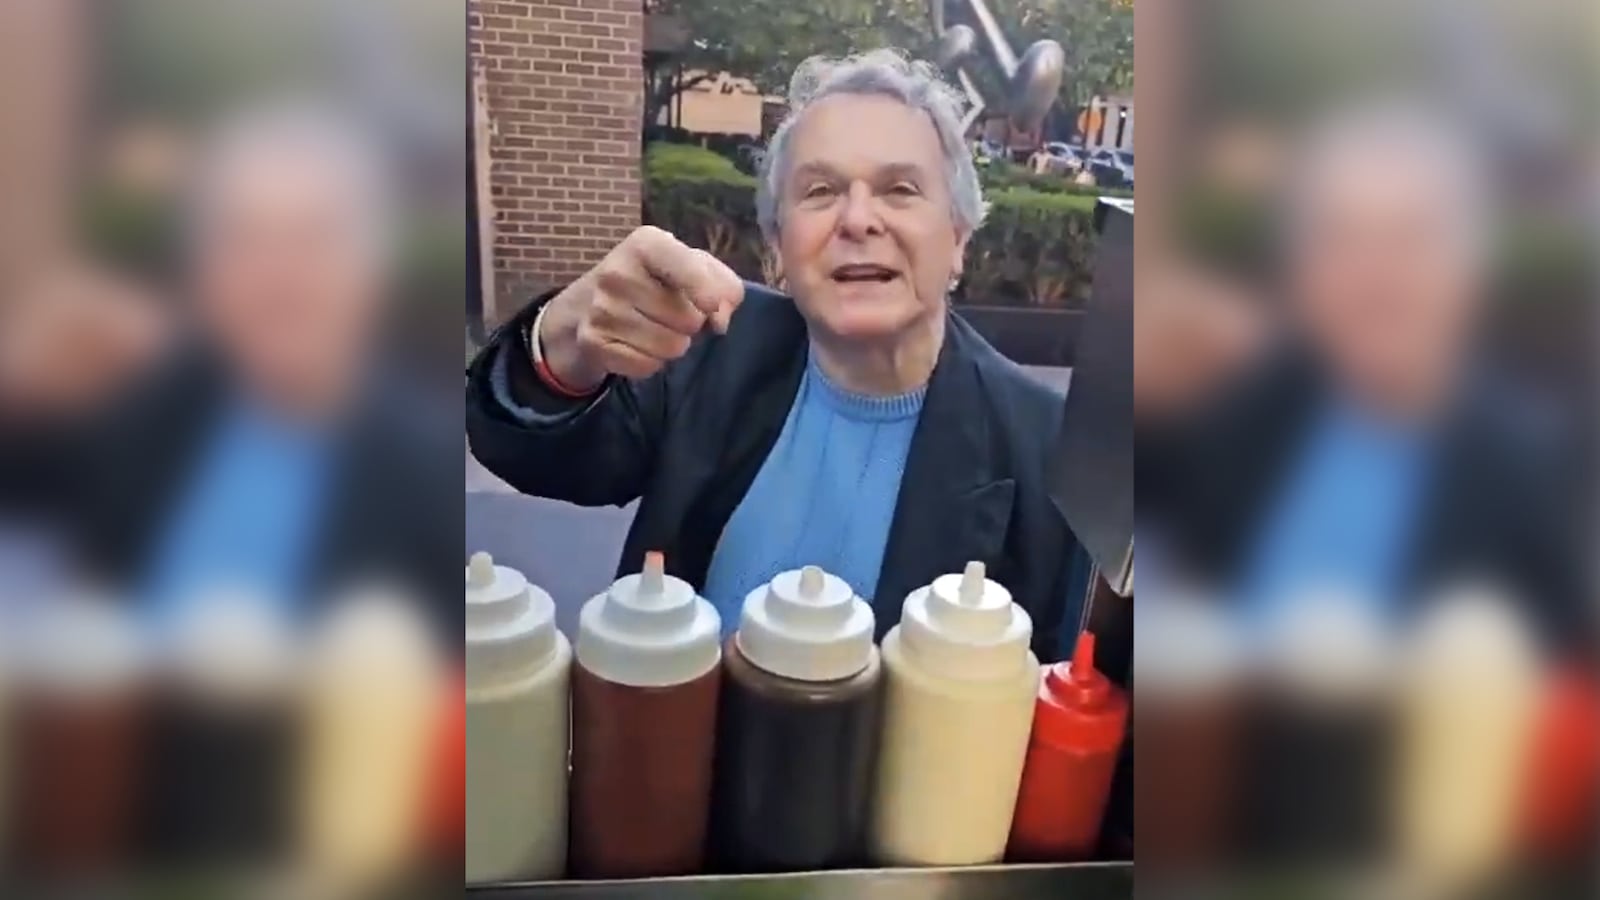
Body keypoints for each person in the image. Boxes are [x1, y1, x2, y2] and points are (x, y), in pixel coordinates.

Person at [467, 50, 1081, 661]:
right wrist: (561, 345)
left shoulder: (1048, 450)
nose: (858, 220)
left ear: (958, 240)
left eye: (899, 189)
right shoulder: (706, 347)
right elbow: (531, 451)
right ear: (778, 248)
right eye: (820, 191)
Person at [1137, 103, 1592, 657]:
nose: (1375, 274)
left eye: (1411, 236)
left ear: (1471, 266)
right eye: (1342, 238)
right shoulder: (1243, 411)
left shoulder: (1542, 476)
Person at [8, 103, 458, 643]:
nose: (278, 274)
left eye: (313, 237)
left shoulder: (430, 474)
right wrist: (22, 388)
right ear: (203, 275)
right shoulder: (151, 410)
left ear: (372, 271)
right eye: (244, 239)